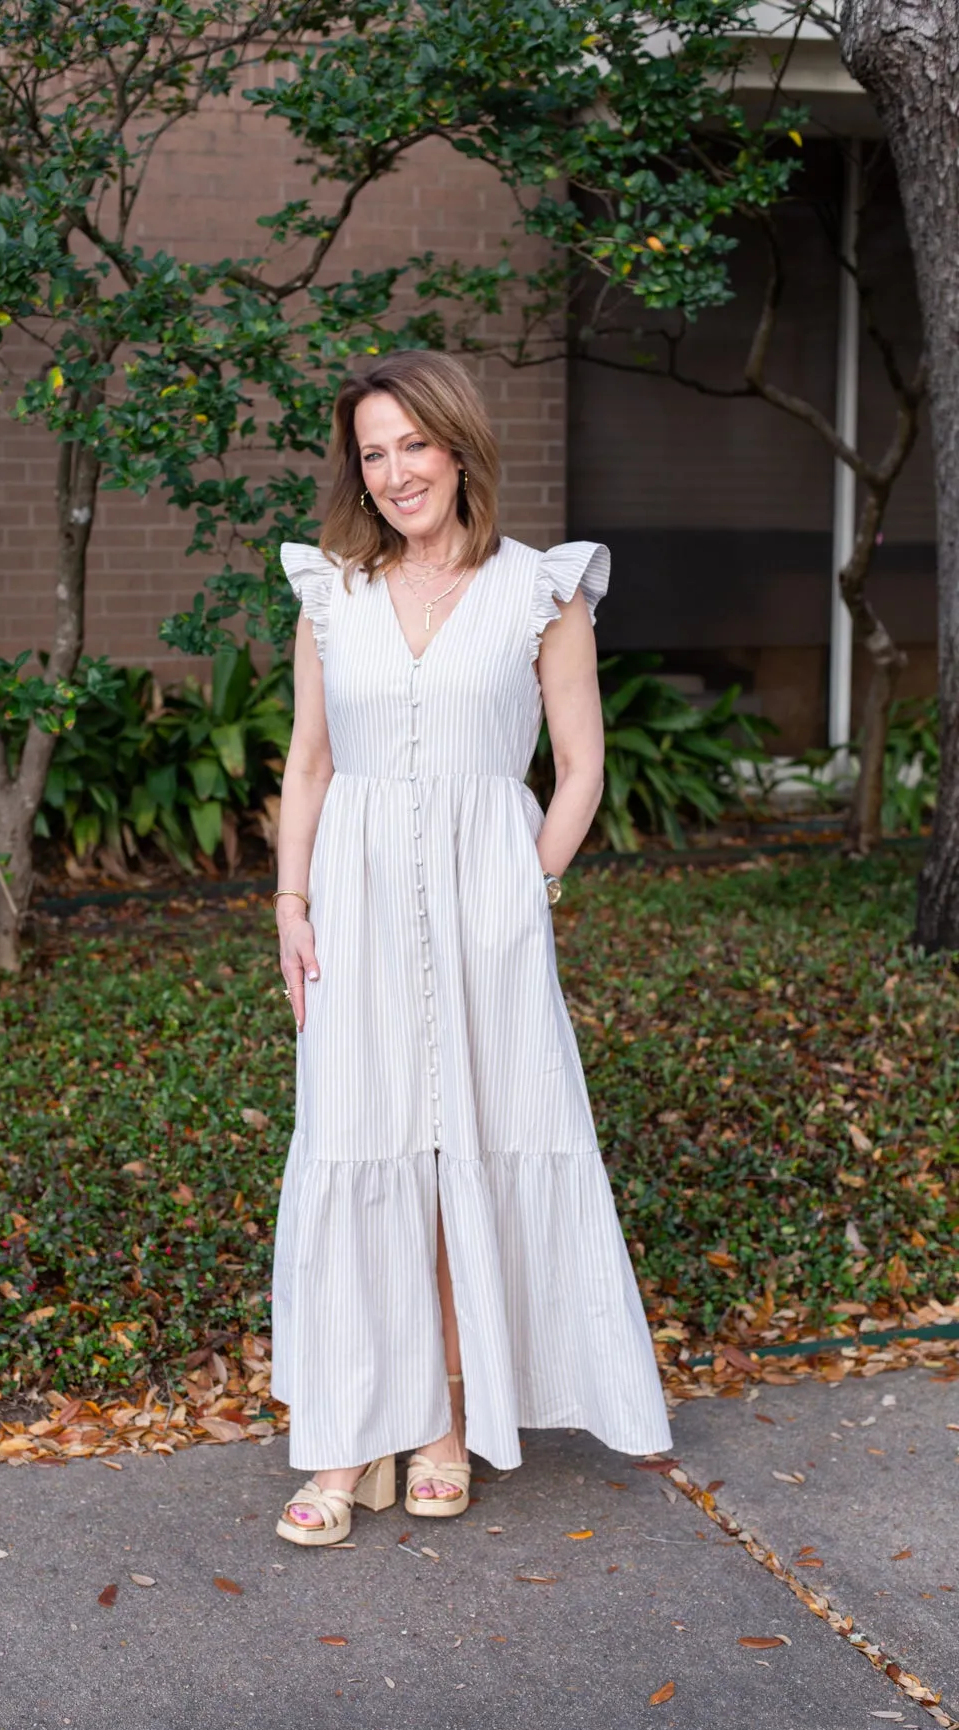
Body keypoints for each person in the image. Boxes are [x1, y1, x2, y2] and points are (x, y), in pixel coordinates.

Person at [270, 349, 671, 1547]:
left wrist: (525, 884)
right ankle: (345, 1440)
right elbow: (310, 761)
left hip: (487, 905)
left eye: (413, 446)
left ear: (458, 448)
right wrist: (290, 905)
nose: (394, 473)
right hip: (353, 903)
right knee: (356, 1145)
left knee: (460, 1157)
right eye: (373, 452)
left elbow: (581, 765)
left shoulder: (542, 590)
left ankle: (442, 1425)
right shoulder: (331, 590)